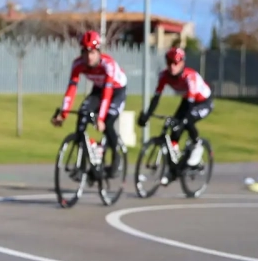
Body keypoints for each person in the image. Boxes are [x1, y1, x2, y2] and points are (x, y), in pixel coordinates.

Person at [50, 30, 127, 176]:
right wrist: (64, 114)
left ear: (99, 52)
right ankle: (82, 166)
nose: (88, 57)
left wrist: (101, 118)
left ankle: (116, 159)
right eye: (84, 52)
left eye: (92, 52)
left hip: (116, 91)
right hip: (99, 89)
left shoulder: (108, 64)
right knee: (82, 114)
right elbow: (71, 89)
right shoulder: (78, 64)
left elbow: (108, 93)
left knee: (108, 122)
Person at [137, 46, 213, 184]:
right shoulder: (164, 76)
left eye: (175, 63)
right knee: (174, 130)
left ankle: (197, 145)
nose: (172, 66)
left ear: (182, 63)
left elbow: (190, 105)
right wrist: (147, 114)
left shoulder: (190, 77)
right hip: (187, 99)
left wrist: (182, 121)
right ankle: (175, 169)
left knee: (186, 121)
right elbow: (156, 98)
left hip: (202, 101)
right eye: (169, 63)